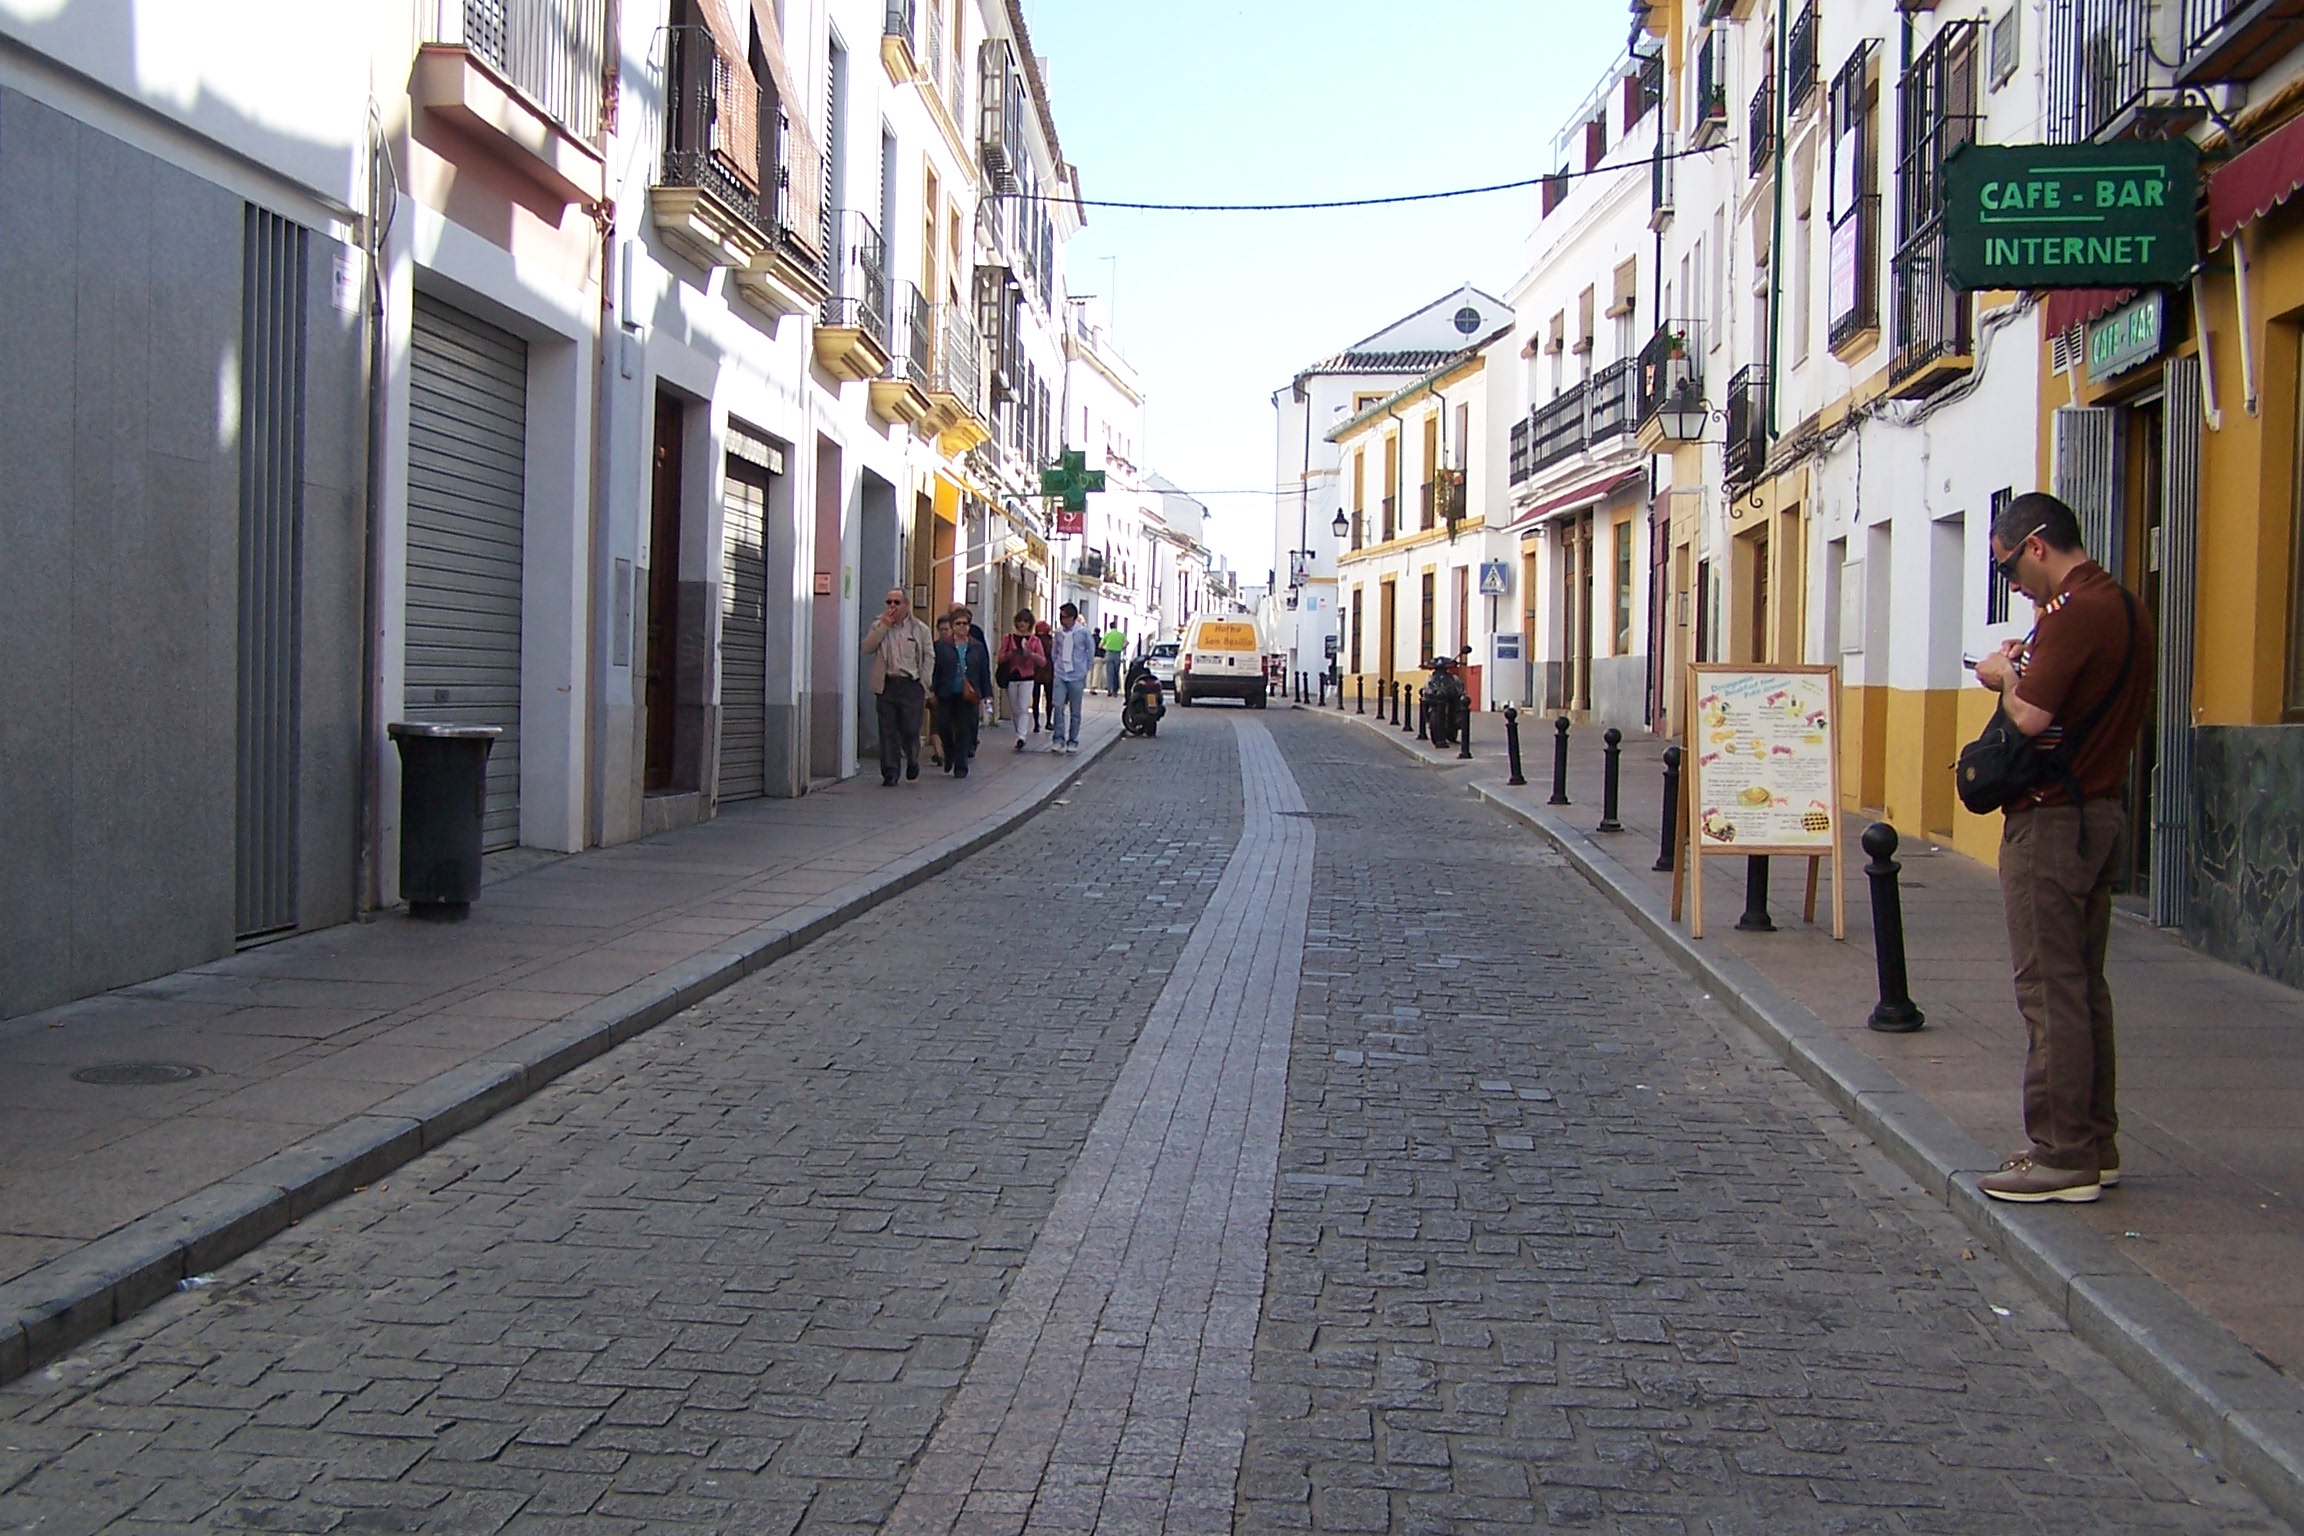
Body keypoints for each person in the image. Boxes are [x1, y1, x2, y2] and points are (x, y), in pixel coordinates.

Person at [1972, 491, 2153, 1204]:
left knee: (2049, 988)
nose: (2013, 583)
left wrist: (2002, 675)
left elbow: (2028, 714)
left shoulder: (2077, 616)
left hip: (2052, 821)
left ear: (2039, 545)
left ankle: (2063, 1152)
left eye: (2011, 567)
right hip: (2098, 813)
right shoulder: (2128, 608)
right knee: (2085, 986)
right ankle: (2096, 1141)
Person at [862, 589, 934, 788]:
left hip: (911, 685)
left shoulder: (919, 629)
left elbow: (929, 655)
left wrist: (925, 681)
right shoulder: (879, 625)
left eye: (896, 602)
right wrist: (884, 625)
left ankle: (912, 758)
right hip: (887, 684)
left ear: (906, 605)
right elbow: (867, 647)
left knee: (910, 729)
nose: (892, 606)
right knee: (888, 731)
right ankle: (890, 772)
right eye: (889, 602)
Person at [933, 605, 992, 778]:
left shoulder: (977, 647)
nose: (962, 627)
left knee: (964, 729)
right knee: (943, 726)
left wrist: (987, 694)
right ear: (952, 626)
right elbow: (935, 669)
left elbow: (984, 671)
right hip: (946, 692)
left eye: (965, 623)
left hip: (968, 695)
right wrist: (932, 689)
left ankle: (961, 765)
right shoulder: (942, 646)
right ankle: (949, 752)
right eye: (958, 623)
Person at [1048, 602, 1096, 753]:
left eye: (1065, 617)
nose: (1062, 620)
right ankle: (1058, 739)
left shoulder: (1083, 632)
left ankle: (1073, 740)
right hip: (1061, 674)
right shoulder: (1059, 633)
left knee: (1075, 710)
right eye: (1061, 617)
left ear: (1073, 618)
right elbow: (1054, 651)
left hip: (1076, 675)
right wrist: (1057, 664)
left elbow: (1090, 650)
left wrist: (1085, 668)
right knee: (1058, 705)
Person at [997, 610, 1046, 753]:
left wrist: (1031, 654)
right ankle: (1019, 732)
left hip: (1027, 677)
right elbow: (1000, 657)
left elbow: (1043, 661)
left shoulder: (1034, 640)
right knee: (1015, 708)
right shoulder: (1008, 638)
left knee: (1023, 707)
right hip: (1012, 676)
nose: (1022, 624)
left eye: (1025, 621)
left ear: (1030, 623)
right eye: (1020, 621)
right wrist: (1010, 654)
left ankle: (1021, 737)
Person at [1031, 619, 1056, 730]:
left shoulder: (1033, 640)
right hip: (1048, 672)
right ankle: (1048, 721)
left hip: (1035, 672)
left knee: (1035, 699)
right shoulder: (1051, 641)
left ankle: (1036, 724)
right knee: (1049, 698)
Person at [1100, 622, 1127, 695]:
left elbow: (1100, 645)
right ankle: (1115, 690)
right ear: (1116, 626)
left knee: (1109, 672)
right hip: (1117, 654)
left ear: (1110, 627)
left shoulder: (1107, 634)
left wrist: (1106, 648)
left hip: (1109, 653)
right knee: (1116, 672)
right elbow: (1126, 642)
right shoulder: (1121, 635)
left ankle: (1110, 689)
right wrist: (1121, 647)